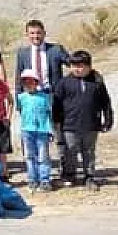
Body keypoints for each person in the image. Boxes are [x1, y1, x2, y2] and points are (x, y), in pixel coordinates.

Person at [15, 19, 71, 176]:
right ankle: (36, 172)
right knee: (34, 135)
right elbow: (18, 77)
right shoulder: (22, 53)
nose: (36, 36)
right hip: (31, 99)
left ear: (44, 33)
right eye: (32, 33)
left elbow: (72, 63)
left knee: (59, 133)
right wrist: (19, 102)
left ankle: (65, 168)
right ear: (27, 34)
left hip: (52, 96)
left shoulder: (56, 49)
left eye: (38, 32)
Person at [54, 51, 114, 190]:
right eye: (74, 65)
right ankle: (69, 175)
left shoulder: (97, 82)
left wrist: (108, 119)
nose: (77, 69)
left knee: (89, 151)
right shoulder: (64, 83)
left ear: (89, 66)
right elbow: (56, 104)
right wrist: (56, 122)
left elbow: (105, 102)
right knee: (70, 150)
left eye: (81, 66)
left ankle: (89, 176)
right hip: (69, 124)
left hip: (91, 124)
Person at [16, 70, 53, 192]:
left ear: (36, 82)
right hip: (27, 130)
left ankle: (44, 179)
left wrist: (50, 130)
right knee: (30, 155)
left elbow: (48, 114)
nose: (28, 84)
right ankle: (32, 179)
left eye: (31, 81)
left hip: (42, 130)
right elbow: (21, 111)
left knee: (43, 156)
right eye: (25, 82)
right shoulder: (21, 97)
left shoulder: (44, 97)